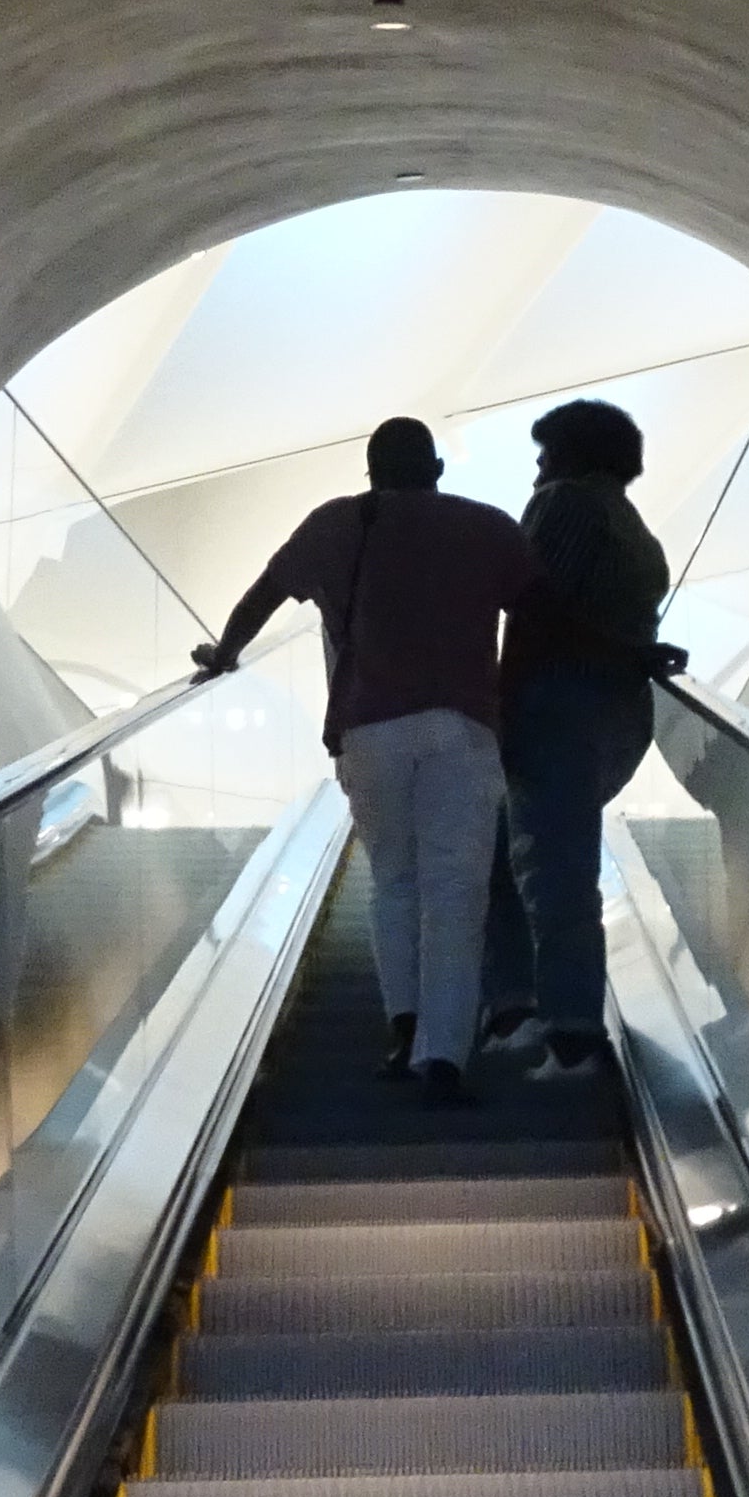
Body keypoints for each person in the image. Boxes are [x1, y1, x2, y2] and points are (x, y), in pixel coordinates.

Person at [191, 415, 533, 1104]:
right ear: (436, 470)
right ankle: (444, 1057)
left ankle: (403, 1027)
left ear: (371, 474)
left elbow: (263, 595)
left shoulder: (336, 525)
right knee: (455, 892)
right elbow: (548, 612)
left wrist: (222, 656)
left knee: (394, 881)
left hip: (368, 728)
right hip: (462, 727)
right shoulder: (485, 526)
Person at [476, 397, 685, 1077]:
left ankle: (571, 1036)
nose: (538, 466)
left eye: (547, 450)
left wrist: (502, 709)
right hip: (617, 715)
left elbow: (537, 613)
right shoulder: (633, 528)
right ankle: (519, 1009)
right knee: (507, 859)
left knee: (554, 872)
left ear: (573, 454)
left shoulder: (563, 505)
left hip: (557, 709)